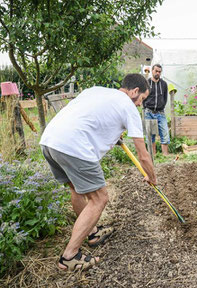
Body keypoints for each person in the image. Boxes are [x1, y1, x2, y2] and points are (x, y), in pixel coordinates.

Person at [40, 73, 157, 271]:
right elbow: (143, 154)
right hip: (74, 146)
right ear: (134, 91)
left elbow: (91, 119)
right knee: (100, 198)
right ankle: (69, 256)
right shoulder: (128, 106)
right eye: (142, 99)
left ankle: (92, 233)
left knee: (77, 190)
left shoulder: (96, 91)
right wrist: (152, 177)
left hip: (50, 141)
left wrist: (114, 135)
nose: (140, 104)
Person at [143, 64, 170, 156]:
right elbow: (143, 97)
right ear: (152, 71)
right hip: (149, 112)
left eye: (159, 72)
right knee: (150, 136)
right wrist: (146, 107)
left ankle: (165, 155)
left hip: (160, 113)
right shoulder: (147, 83)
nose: (157, 73)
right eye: (156, 71)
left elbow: (165, 98)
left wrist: (161, 106)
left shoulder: (164, 84)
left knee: (165, 133)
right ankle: (152, 155)